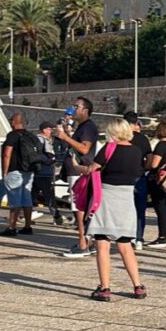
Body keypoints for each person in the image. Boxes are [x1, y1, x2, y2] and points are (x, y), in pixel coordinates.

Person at [85, 118, 147, 301]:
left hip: (107, 197)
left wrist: (75, 166)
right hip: (126, 198)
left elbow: (92, 169)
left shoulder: (108, 148)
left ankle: (104, 288)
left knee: (102, 244)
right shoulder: (136, 151)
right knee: (125, 245)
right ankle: (138, 286)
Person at [57, 97, 99, 258]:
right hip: (78, 170)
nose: (73, 109)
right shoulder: (83, 126)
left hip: (80, 171)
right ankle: (88, 241)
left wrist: (65, 137)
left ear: (85, 110)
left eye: (76, 106)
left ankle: (83, 243)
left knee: (79, 208)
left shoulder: (88, 126)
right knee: (81, 207)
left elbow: (84, 148)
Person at [0, 111, 37, 236]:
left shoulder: (12, 135)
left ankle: (11, 227)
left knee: (14, 200)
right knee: (27, 198)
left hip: (14, 171)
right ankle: (27, 226)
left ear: (14, 122)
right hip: (28, 171)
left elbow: (6, 154)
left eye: (11, 120)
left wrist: (4, 172)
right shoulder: (30, 135)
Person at [145, 121, 166, 249]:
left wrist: (146, 164)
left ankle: (162, 237)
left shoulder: (161, 145)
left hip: (159, 180)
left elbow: (154, 164)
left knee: (160, 208)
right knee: (165, 207)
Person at [124, 111, 152, 249]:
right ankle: (138, 238)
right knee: (140, 208)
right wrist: (145, 168)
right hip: (139, 176)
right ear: (136, 123)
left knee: (125, 208)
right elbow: (149, 158)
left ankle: (126, 236)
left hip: (124, 176)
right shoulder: (143, 139)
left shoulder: (121, 138)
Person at [33, 122, 62, 226]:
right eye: (49, 129)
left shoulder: (42, 139)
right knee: (49, 195)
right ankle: (57, 217)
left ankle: (23, 214)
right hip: (43, 172)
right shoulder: (40, 139)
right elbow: (39, 154)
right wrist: (49, 160)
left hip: (40, 172)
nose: (51, 131)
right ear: (44, 130)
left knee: (32, 195)